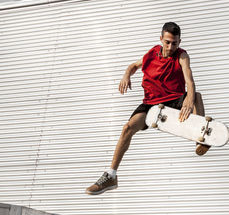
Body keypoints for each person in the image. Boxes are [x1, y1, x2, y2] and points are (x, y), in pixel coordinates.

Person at [86, 22, 210, 195]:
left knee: (196, 96)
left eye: (175, 43)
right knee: (127, 128)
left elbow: (189, 79)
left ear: (179, 42)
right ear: (161, 39)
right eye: (167, 42)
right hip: (151, 104)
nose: (170, 47)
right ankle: (111, 176)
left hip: (174, 100)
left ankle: (201, 138)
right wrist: (126, 75)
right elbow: (133, 65)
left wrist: (188, 99)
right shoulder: (152, 54)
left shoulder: (181, 56)